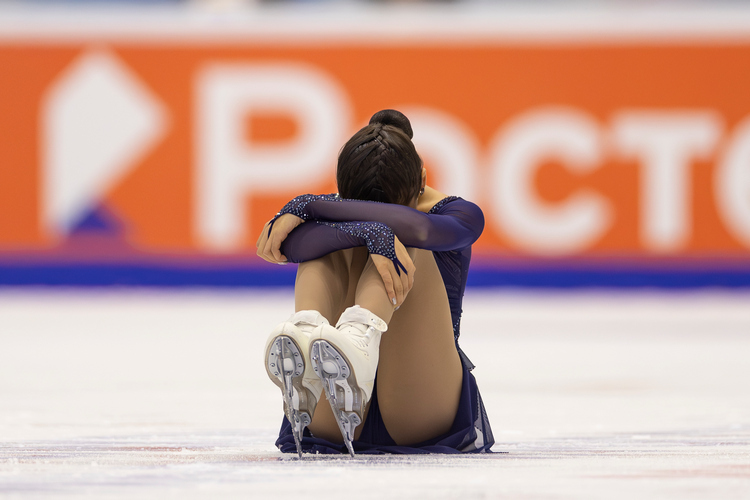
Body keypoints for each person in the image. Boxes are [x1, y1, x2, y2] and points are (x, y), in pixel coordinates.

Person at [256, 109, 494, 456]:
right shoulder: (324, 214)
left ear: (423, 181)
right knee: (324, 242)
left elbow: (422, 229)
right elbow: (282, 246)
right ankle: (309, 339)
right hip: (335, 410)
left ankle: (359, 341)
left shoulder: (456, 214)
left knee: (404, 234)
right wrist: (367, 230)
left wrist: (315, 207)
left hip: (420, 403)